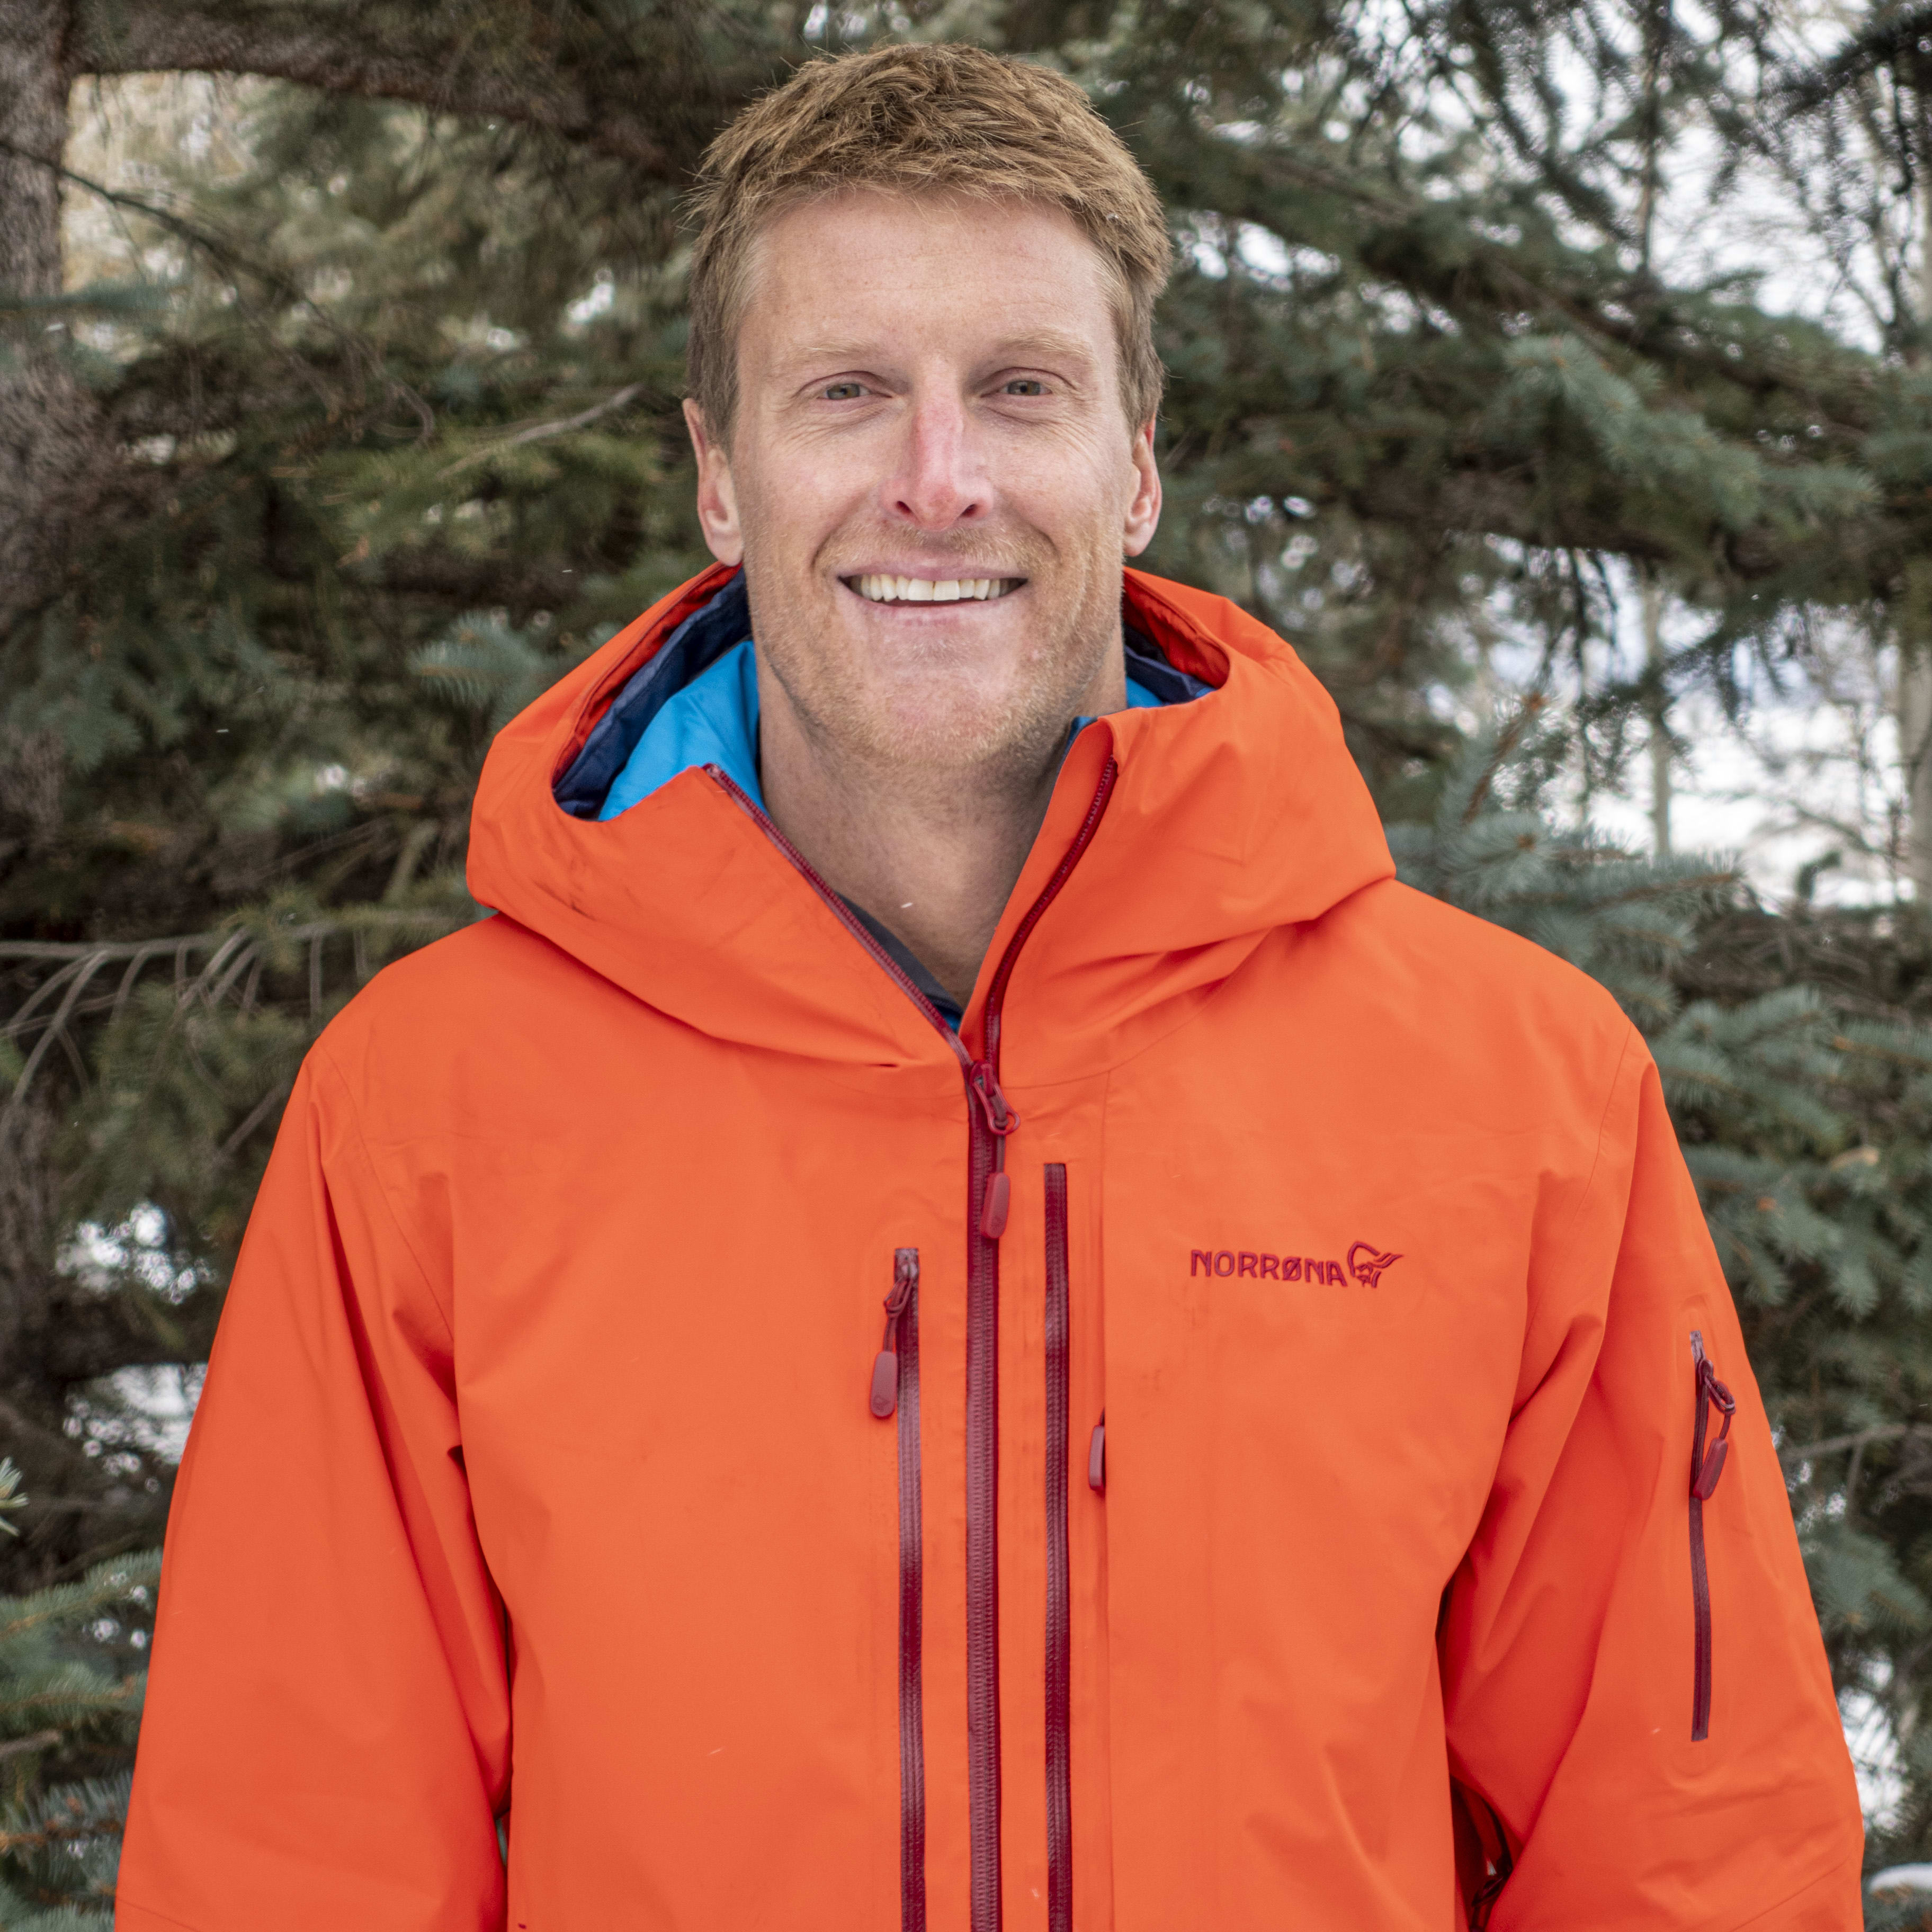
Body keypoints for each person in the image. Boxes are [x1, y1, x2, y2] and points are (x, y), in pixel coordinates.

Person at [118, 42, 1862, 1932]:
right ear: (720, 477)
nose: (937, 484)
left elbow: (1691, 1857)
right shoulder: (429, 1112)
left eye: (1020, 390)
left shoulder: (1513, 1093)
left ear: (1136, 467)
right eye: (848, 392)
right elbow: (293, 1864)